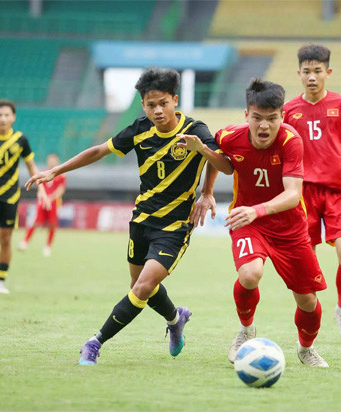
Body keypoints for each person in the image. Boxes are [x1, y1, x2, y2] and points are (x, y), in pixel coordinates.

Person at [26, 67, 234, 365]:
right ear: (143, 105)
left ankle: (95, 342)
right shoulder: (139, 129)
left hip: (175, 227)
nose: (158, 110)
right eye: (151, 105)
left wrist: (206, 183)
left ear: (175, 100)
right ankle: (176, 319)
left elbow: (225, 164)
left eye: (163, 103)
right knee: (142, 288)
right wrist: (56, 171)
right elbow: (99, 151)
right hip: (141, 222)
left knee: (142, 287)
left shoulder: (195, 130)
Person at [190, 78, 329, 367]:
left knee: (308, 301)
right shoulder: (229, 136)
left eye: (272, 118)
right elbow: (221, 161)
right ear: (247, 115)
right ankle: (246, 330)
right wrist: (207, 192)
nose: (264, 126)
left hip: (289, 228)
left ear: (282, 116)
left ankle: (306, 348)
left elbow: (293, 194)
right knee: (250, 274)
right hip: (247, 220)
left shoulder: (291, 142)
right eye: (257, 118)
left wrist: (258, 210)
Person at [283, 44, 341, 344]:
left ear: (328, 72)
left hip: (337, 192)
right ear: (298, 74)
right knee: (305, 263)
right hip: (301, 194)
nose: (312, 77)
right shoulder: (288, 110)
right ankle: (310, 321)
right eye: (306, 71)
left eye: (317, 71)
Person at [0, 99, 47, 294]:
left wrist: (41, 190)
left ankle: (1, 280)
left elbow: (31, 166)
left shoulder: (21, 140)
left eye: (7, 115)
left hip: (11, 196)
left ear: (13, 117)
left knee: (5, 239)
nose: (3, 118)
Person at [19, 153, 66, 257]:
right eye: (50, 159)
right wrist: (42, 197)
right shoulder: (44, 172)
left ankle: (48, 247)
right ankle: (25, 242)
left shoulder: (61, 175)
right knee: (36, 223)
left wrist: (51, 198)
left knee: (52, 225)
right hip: (42, 202)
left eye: (53, 160)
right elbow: (40, 187)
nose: (51, 161)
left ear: (57, 161)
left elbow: (61, 189)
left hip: (53, 203)